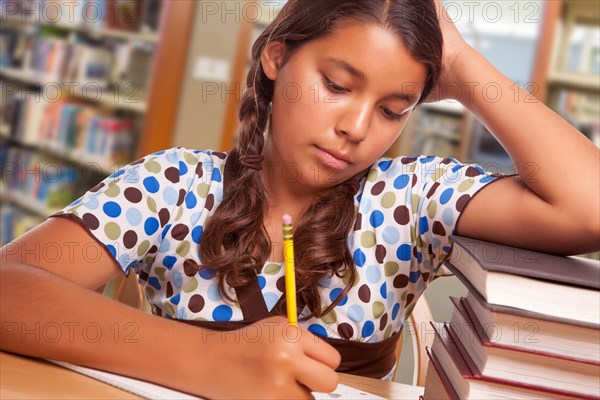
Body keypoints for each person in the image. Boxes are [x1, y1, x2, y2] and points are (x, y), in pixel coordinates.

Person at [1, 0, 598, 398]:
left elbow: (588, 208)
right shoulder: (174, 185)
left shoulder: (411, 199)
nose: (357, 127)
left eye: (395, 109)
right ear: (276, 57)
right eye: (336, 85)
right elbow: (9, 287)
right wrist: (209, 360)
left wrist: (467, 68)